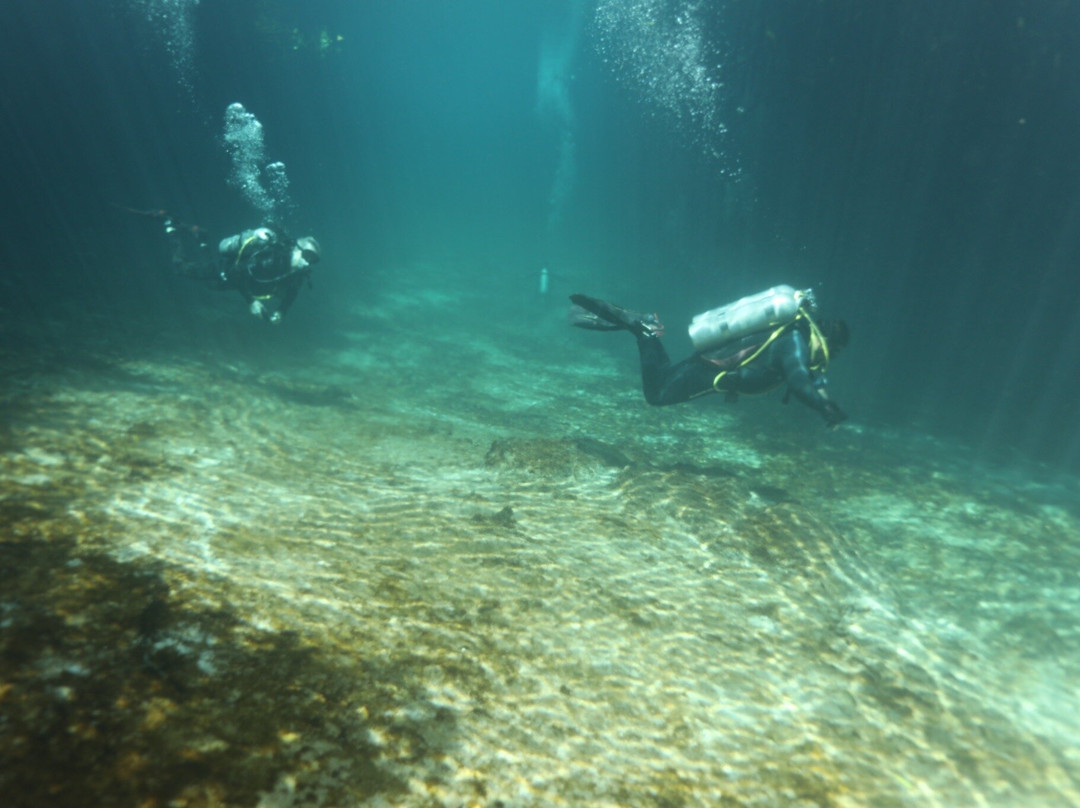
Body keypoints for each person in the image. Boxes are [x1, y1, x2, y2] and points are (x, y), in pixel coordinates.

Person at [568, 290, 849, 427]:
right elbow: (800, 382)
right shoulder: (797, 343)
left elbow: (813, 377)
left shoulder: (796, 334)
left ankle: (646, 330)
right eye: (836, 351)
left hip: (714, 364)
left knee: (663, 379)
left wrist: (826, 402)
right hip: (711, 371)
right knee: (657, 394)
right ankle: (644, 329)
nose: (833, 356)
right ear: (830, 342)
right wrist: (823, 409)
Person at [166, 218, 320, 324]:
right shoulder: (273, 259)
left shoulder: (298, 275)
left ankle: (202, 238)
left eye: (313, 261)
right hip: (228, 270)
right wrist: (251, 302)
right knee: (181, 269)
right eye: (307, 255)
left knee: (213, 285)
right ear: (295, 249)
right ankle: (171, 227)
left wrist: (281, 312)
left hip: (240, 282)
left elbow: (291, 295)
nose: (308, 263)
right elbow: (237, 273)